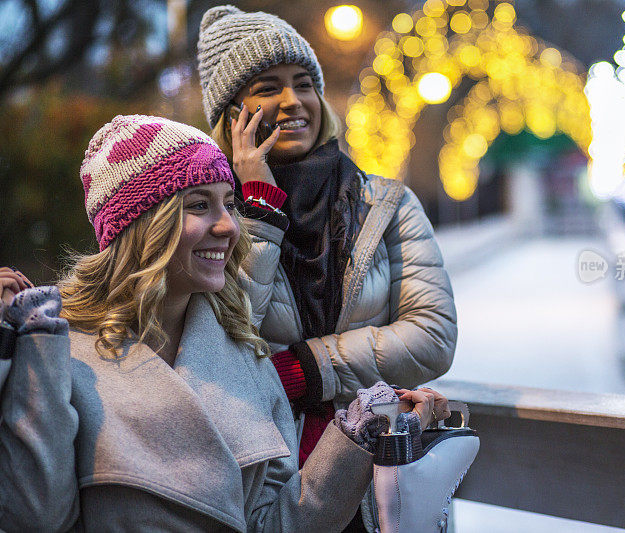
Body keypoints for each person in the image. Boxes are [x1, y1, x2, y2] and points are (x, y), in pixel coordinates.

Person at [0, 115, 444, 532]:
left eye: (230, 203)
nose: (229, 226)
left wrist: (360, 434)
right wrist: (29, 349)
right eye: (199, 205)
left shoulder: (243, 349)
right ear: (141, 226)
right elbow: (37, 516)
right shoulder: (57, 348)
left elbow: (276, 522)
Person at [196, 12, 456, 529]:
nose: (294, 102)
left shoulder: (387, 205)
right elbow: (227, 337)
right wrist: (261, 210)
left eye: (305, 84)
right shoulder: (212, 219)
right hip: (274, 484)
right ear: (231, 119)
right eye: (268, 88)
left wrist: (306, 368)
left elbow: (433, 336)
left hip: (382, 481)